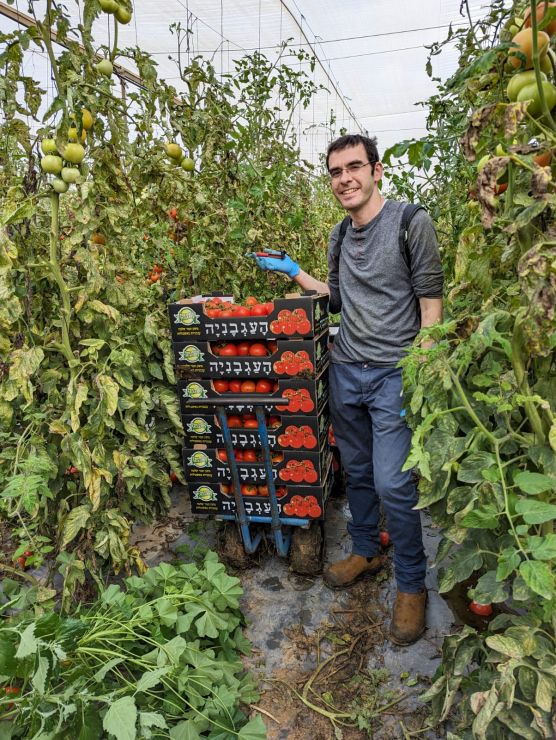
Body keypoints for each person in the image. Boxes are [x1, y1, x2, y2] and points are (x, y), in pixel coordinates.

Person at [254, 134, 443, 645]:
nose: (345, 179)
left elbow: (431, 308)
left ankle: (411, 584)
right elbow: (337, 299)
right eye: (336, 172)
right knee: (356, 470)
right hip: (346, 370)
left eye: (354, 167)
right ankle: (365, 549)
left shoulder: (409, 223)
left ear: (376, 171)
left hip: (392, 373)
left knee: (393, 482)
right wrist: (295, 272)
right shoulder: (339, 235)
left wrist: (417, 370)